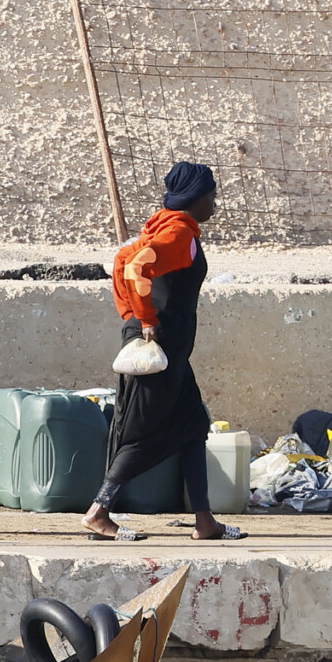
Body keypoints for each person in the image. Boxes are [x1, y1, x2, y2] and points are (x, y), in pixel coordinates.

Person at [86, 162, 241, 543]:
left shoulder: (163, 227)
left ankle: (205, 521)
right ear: (195, 198)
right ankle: (98, 511)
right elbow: (138, 267)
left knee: (192, 425)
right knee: (142, 431)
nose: (215, 203)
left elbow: (122, 261)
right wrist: (145, 318)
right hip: (160, 349)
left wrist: (131, 316)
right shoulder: (179, 235)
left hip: (170, 351)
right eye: (211, 195)